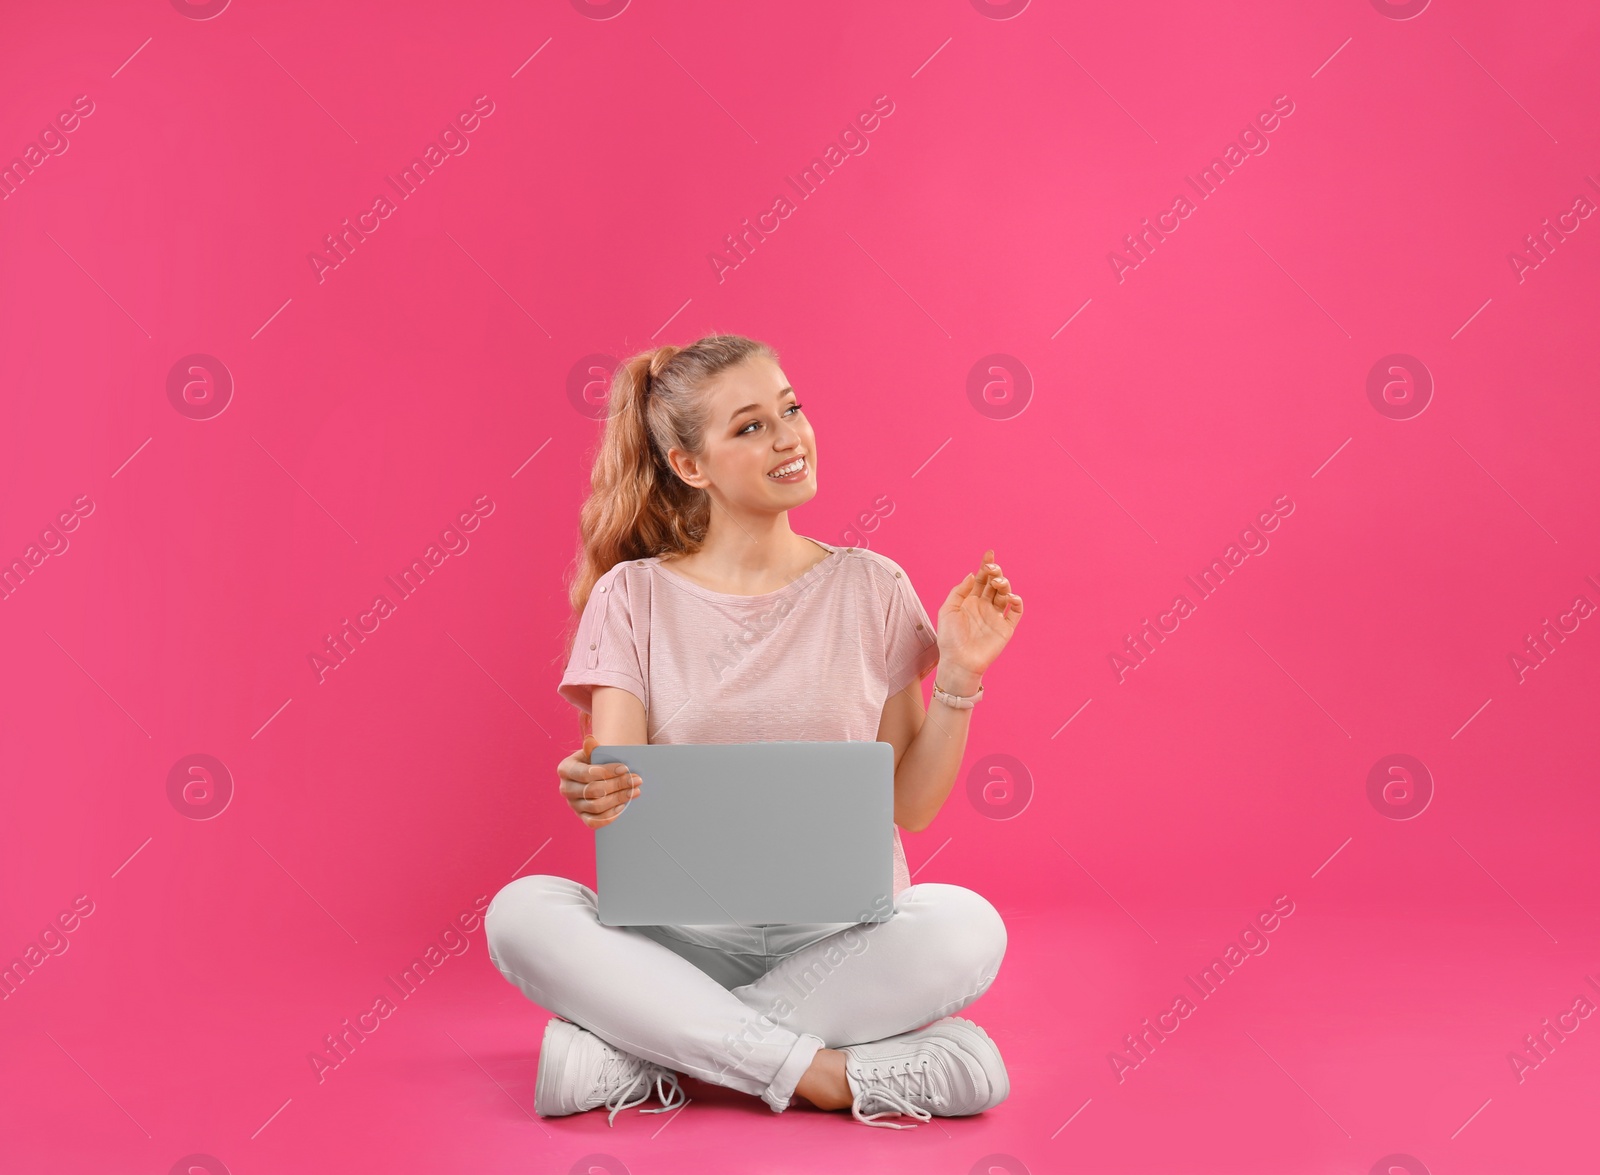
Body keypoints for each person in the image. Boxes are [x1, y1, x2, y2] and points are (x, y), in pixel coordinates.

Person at [484, 333, 1026, 1129]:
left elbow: (909, 806)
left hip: (845, 942)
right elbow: (620, 781)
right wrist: (597, 785)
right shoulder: (631, 597)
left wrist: (959, 677)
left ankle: (656, 1051)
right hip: (680, 942)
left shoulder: (872, 585)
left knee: (971, 924)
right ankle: (822, 1073)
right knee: (520, 911)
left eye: (791, 409)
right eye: (748, 426)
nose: (788, 436)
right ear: (689, 466)